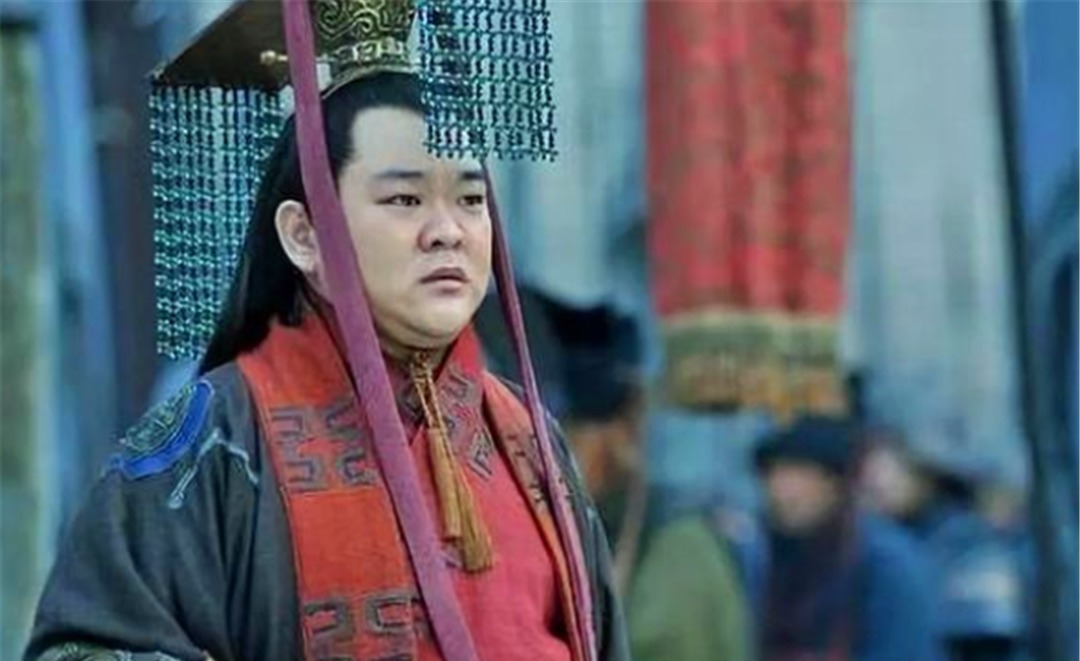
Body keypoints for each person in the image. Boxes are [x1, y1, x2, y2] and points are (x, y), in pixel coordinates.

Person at [25, 1, 627, 660]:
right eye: (404, 199)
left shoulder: (528, 438)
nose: (447, 231)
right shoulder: (216, 441)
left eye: (470, 199)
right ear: (304, 236)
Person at [754, 416, 945, 661]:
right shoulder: (765, 557)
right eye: (775, 476)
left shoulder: (887, 562)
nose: (782, 493)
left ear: (837, 486)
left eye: (802, 479)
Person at [862, 429, 1028, 661]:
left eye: (880, 482)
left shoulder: (968, 540)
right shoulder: (875, 543)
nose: (874, 485)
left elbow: (988, 634)